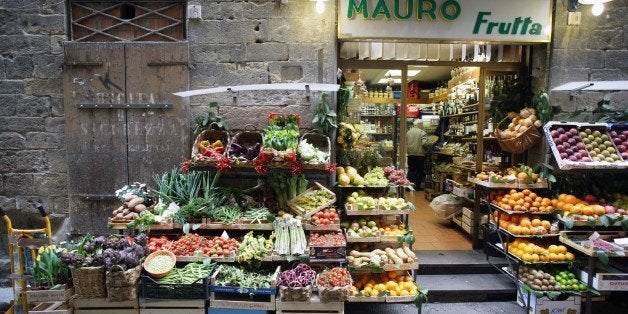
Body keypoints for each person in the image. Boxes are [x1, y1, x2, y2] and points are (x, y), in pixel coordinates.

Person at [406, 119, 428, 191]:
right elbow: (424, 144)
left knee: (411, 170)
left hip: (410, 154)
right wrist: (429, 145)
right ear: (420, 125)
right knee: (418, 171)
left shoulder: (408, 132)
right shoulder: (422, 133)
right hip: (419, 154)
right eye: (422, 124)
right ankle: (417, 186)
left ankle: (408, 186)